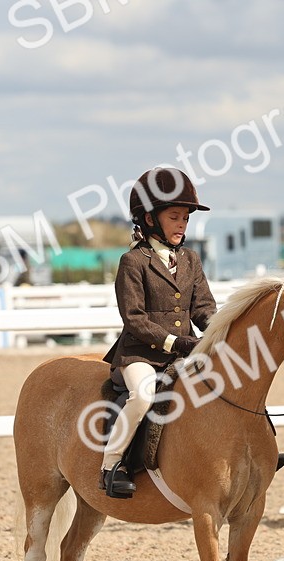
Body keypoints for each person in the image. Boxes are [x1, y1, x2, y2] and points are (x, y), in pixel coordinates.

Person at [99, 167, 218, 499]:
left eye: (185, 218)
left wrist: (220, 330)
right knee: (144, 395)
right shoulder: (132, 262)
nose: (182, 224)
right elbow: (133, 318)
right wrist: (174, 342)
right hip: (140, 353)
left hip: (184, 350)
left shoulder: (191, 260)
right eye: (175, 217)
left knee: (234, 378)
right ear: (150, 219)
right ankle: (111, 466)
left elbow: (203, 308)